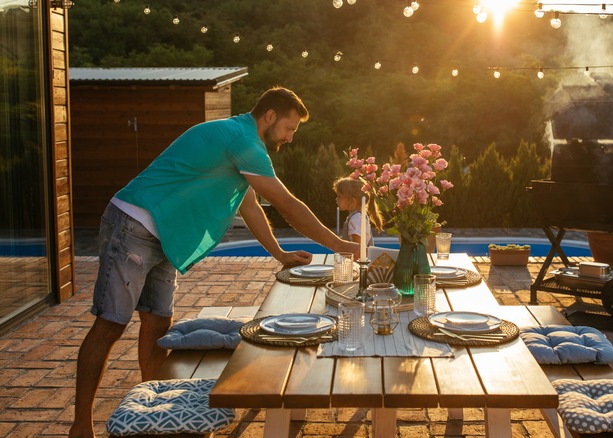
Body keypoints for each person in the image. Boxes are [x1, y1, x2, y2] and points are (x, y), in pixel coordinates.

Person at [69, 86, 359, 438]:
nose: (290, 137)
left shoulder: (236, 139)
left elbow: (250, 206)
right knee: (110, 326)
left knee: (159, 324)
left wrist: (279, 254)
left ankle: (155, 410)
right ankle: (81, 425)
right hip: (134, 223)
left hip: (164, 234)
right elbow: (286, 203)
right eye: (289, 127)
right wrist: (340, 244)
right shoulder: (243, 141)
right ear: (270, 116)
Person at [333, 177, 384, 247]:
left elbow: (357, 247)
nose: (336, 199)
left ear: (352, 201)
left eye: (339, 196)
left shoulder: (356, 219)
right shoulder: (357, 217)